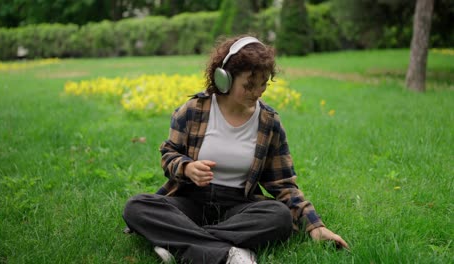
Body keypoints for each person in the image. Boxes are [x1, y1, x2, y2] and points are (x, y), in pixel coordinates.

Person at [123, 35, 349, 264]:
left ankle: (182, 245)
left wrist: (316, 227)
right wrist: (187, 167)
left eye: (264, 83)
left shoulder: (269, 123)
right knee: (137, 207)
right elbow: (169, 154)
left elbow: (284, 185)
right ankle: (228, 251)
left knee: (279, 216)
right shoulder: (193, 110)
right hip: (190, 201)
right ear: (225, 79)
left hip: (239, 206)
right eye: (249, 85)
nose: (258, 91)